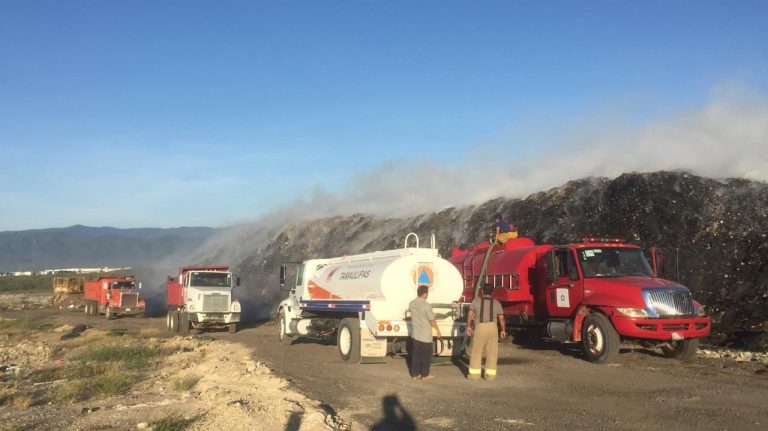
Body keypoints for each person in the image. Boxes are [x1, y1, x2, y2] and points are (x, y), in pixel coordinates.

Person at [466, 283, 506, 380]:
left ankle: (474, 376)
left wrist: (468, 326)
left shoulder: (476, 301)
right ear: (492, 292)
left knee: (476, 351)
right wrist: (503, 330)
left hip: (480, 327)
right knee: (492, 352)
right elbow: (501, 318)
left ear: (482, 291)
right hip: (493, 328)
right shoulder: (497, 303)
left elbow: (470, 314)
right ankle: (490, 376)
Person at [408, 285, 441, 380]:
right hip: (425, 335)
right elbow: (432, 321)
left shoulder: (411, 303)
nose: (428, 295)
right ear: (425, 294)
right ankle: (425, 375)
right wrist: (438, 330)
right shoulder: (426, 305)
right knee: (426, 356)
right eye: (427, 293)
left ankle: (415, 374)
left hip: (416, 334)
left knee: (416, 355)